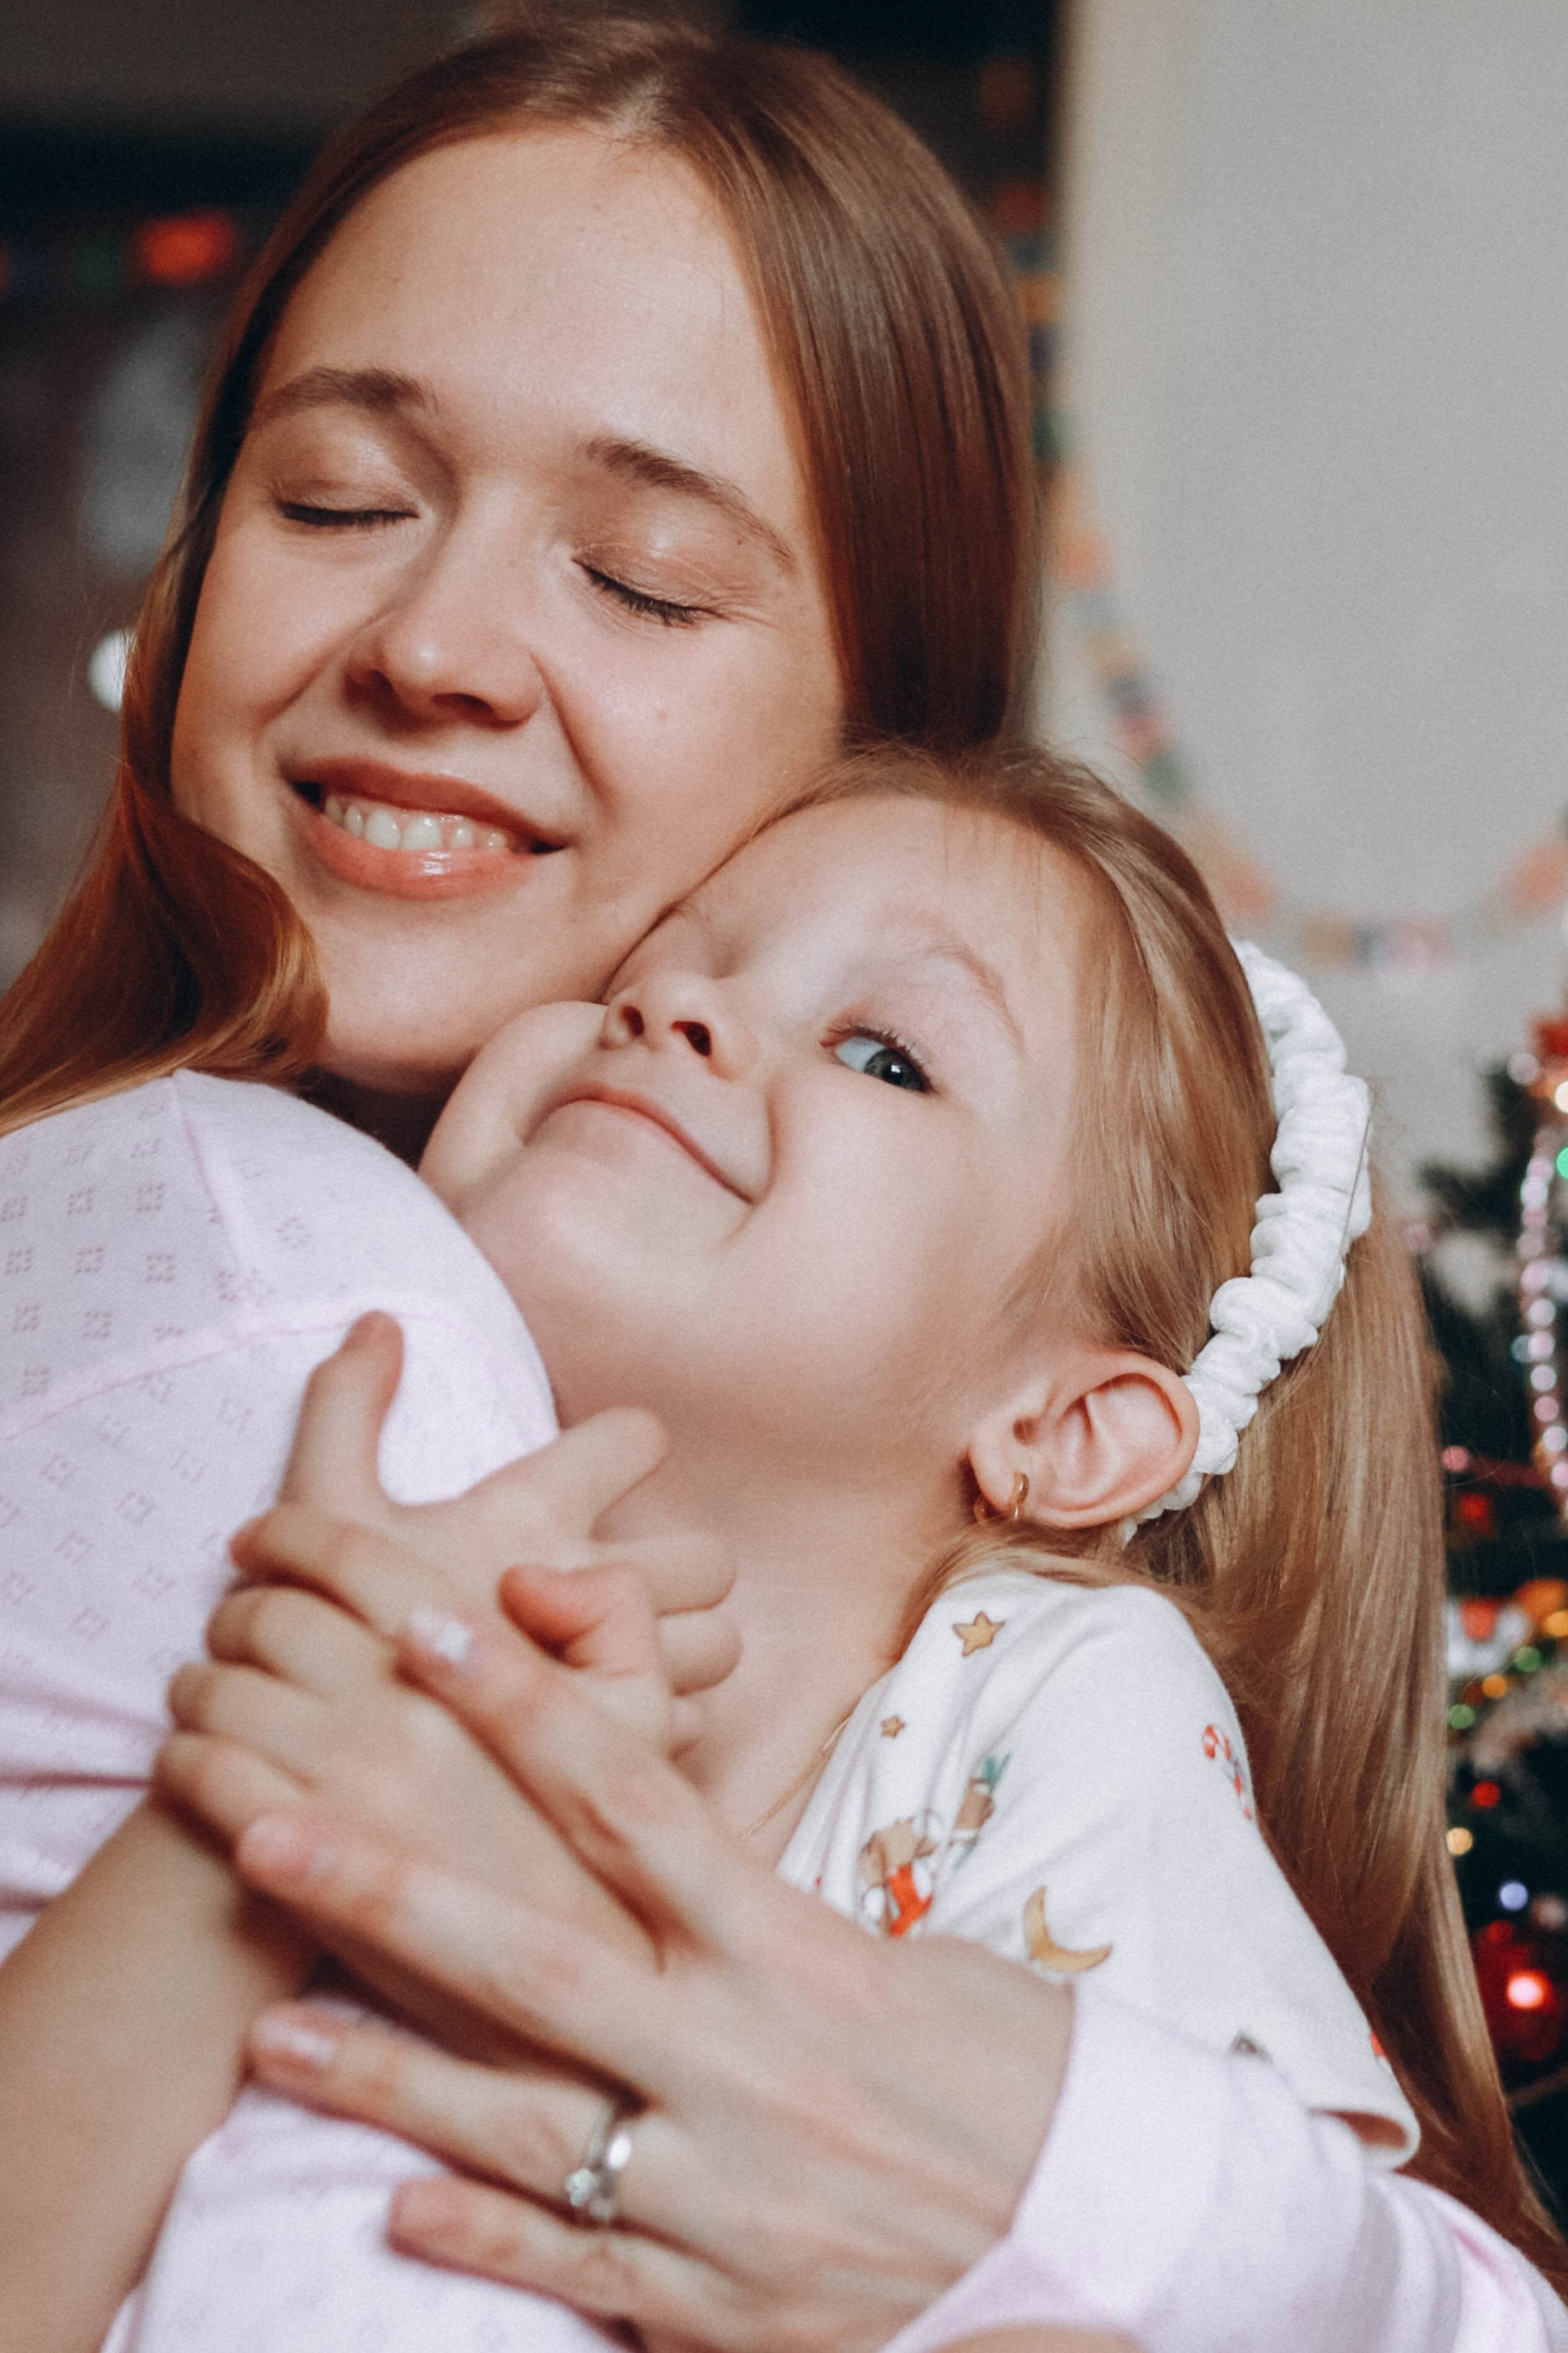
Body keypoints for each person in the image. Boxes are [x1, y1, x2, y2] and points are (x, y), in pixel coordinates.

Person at [0, 11, 1556, 2349]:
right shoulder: (254, 1262)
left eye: (637, 574)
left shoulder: (1019, 1683)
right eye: (333, 501)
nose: (428, 646)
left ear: (881, 743)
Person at [0, 744, 1487, 2346]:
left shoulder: (1042, 1704)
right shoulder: (301, 1531)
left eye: (884, 1054)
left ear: (1065, 1432)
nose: (670, 1014)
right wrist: (251, 1819)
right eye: (657, 967)